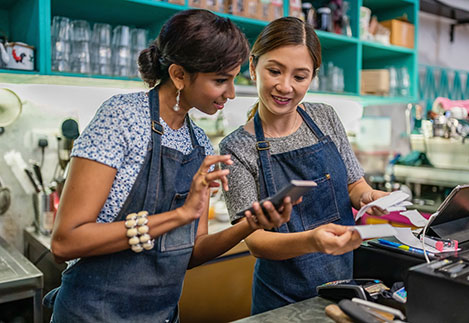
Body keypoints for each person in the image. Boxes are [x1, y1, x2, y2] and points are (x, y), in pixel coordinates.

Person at [44, 9, 291, 322]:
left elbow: (193, 251)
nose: (230, 93)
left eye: (233, 79)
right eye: (220, 80)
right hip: (92, 314)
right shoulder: (121, 118)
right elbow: (65, 241)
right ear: (178, 75)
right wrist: (180, 214)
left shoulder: (199, 142)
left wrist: (252, 223)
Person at [219, 17, 388, 314]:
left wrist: (370, 197)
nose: (285, 87)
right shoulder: (236, 148)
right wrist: (313, 241)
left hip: (342, 289)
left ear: (312, 77)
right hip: (281, 300)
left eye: (300, 77)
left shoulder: (325, 119)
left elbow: (354, 184)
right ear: (253, 67)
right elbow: (256, 240)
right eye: (274, 71)